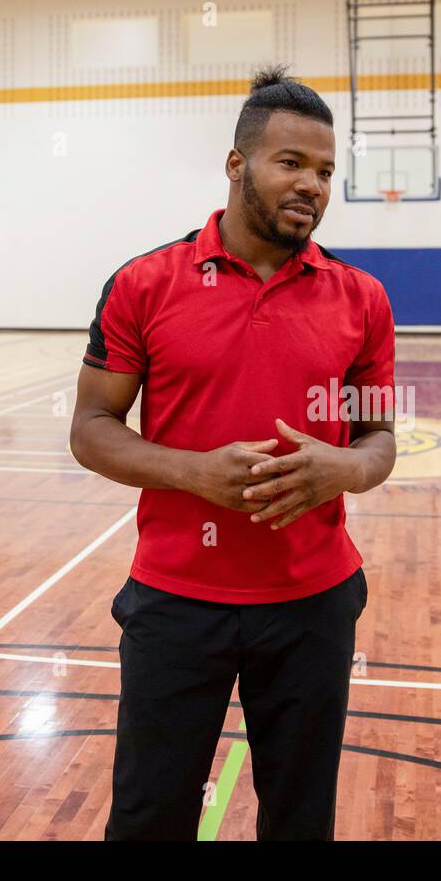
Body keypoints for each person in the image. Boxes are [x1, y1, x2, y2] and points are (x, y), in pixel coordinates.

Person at [70, 66, 397, 840]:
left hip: (314, 604)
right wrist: (194, 473)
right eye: (291, 163)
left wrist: (344, 468)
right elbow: (90, 426)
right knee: (150, 817)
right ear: (237, 165)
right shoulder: (143, 284)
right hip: (177, 603)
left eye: (325, 171)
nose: (312, 185)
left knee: (299, 819)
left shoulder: (362, 299)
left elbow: (381, 438)